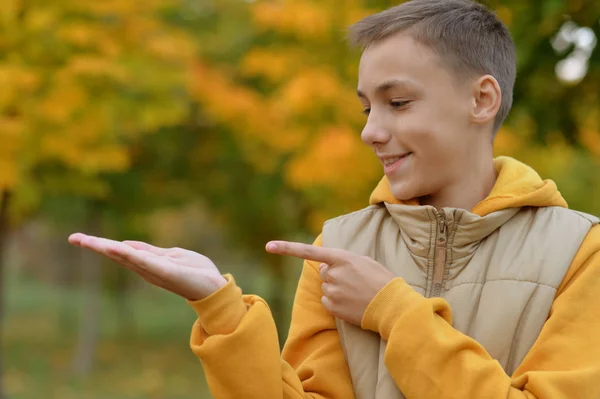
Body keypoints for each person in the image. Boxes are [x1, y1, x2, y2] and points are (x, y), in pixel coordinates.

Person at [68, 0, 600, 398]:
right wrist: (220, 310)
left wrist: (391, 311)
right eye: (367, 108)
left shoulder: (581, 252)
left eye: (398, 102)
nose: (371, 131)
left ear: (482, 99)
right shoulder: (339, 248)